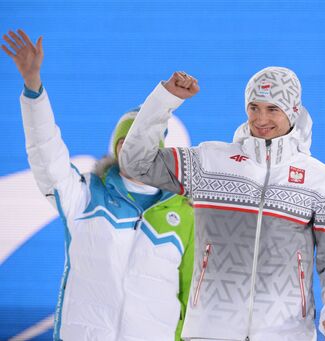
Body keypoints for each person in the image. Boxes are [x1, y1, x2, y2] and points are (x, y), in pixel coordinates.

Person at [119, 66, 325, 341]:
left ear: (292, 111)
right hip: (209, 331)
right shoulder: (209, 162)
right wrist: (165, 100)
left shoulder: (322, 181)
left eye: (272, 109)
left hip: (286, 334)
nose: (261, 118)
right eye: (254, 108)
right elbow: (136, 162)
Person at [2, 29, 195, 341]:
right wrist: (33, 88)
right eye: (126, 142)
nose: (134, 150)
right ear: (115, 148)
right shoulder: (86, 196)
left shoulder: (184, 216)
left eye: (144, 143)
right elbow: (46, 154)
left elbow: (192, 305)